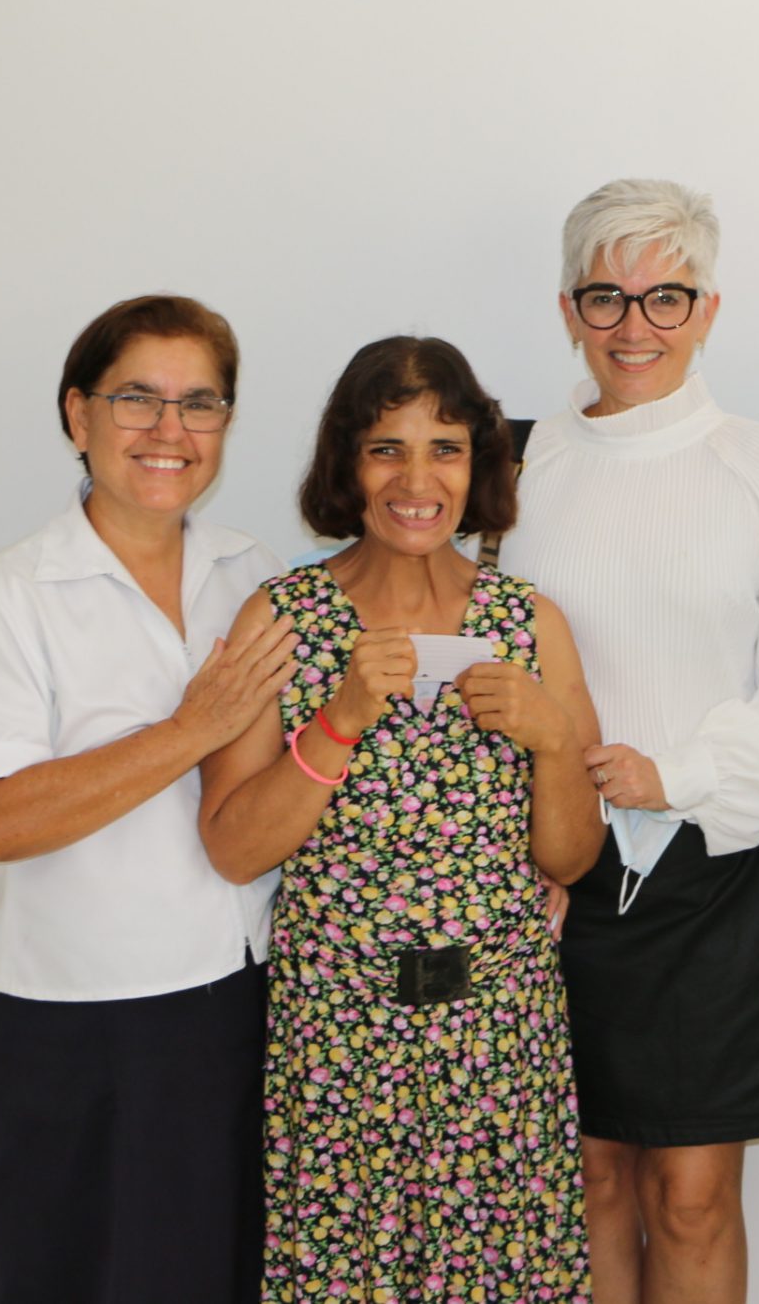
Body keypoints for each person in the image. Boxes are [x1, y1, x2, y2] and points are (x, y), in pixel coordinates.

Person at [494, 178, 759, 1304]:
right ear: (568, 311)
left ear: (707, 311)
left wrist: (676, 775)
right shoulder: (514, 469)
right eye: (605, 297)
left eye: (665, 297)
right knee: (587, 1178)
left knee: (692, 1195)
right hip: (555, 873)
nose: (633, 325)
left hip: (714, 867)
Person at [195, 336, 605, 1304]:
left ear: (480, 464)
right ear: (346, 463)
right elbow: (233, 847)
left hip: (498, 1038)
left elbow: (572, 858)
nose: (417, 481)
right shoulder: (282, 618)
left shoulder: (530, 622)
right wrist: (337, 721)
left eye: (445, 449)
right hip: (339, 1038)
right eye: (386, 448)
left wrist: (554, 741)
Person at [0, 293, 300, 1303]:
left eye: (200, 403)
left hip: (243, 1003)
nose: (168, 430)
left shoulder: (252, 572)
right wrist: (188, 729)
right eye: (137, 398)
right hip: (77, 1024)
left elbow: (302, 779)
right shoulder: (12, 595)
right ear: (77, 414)